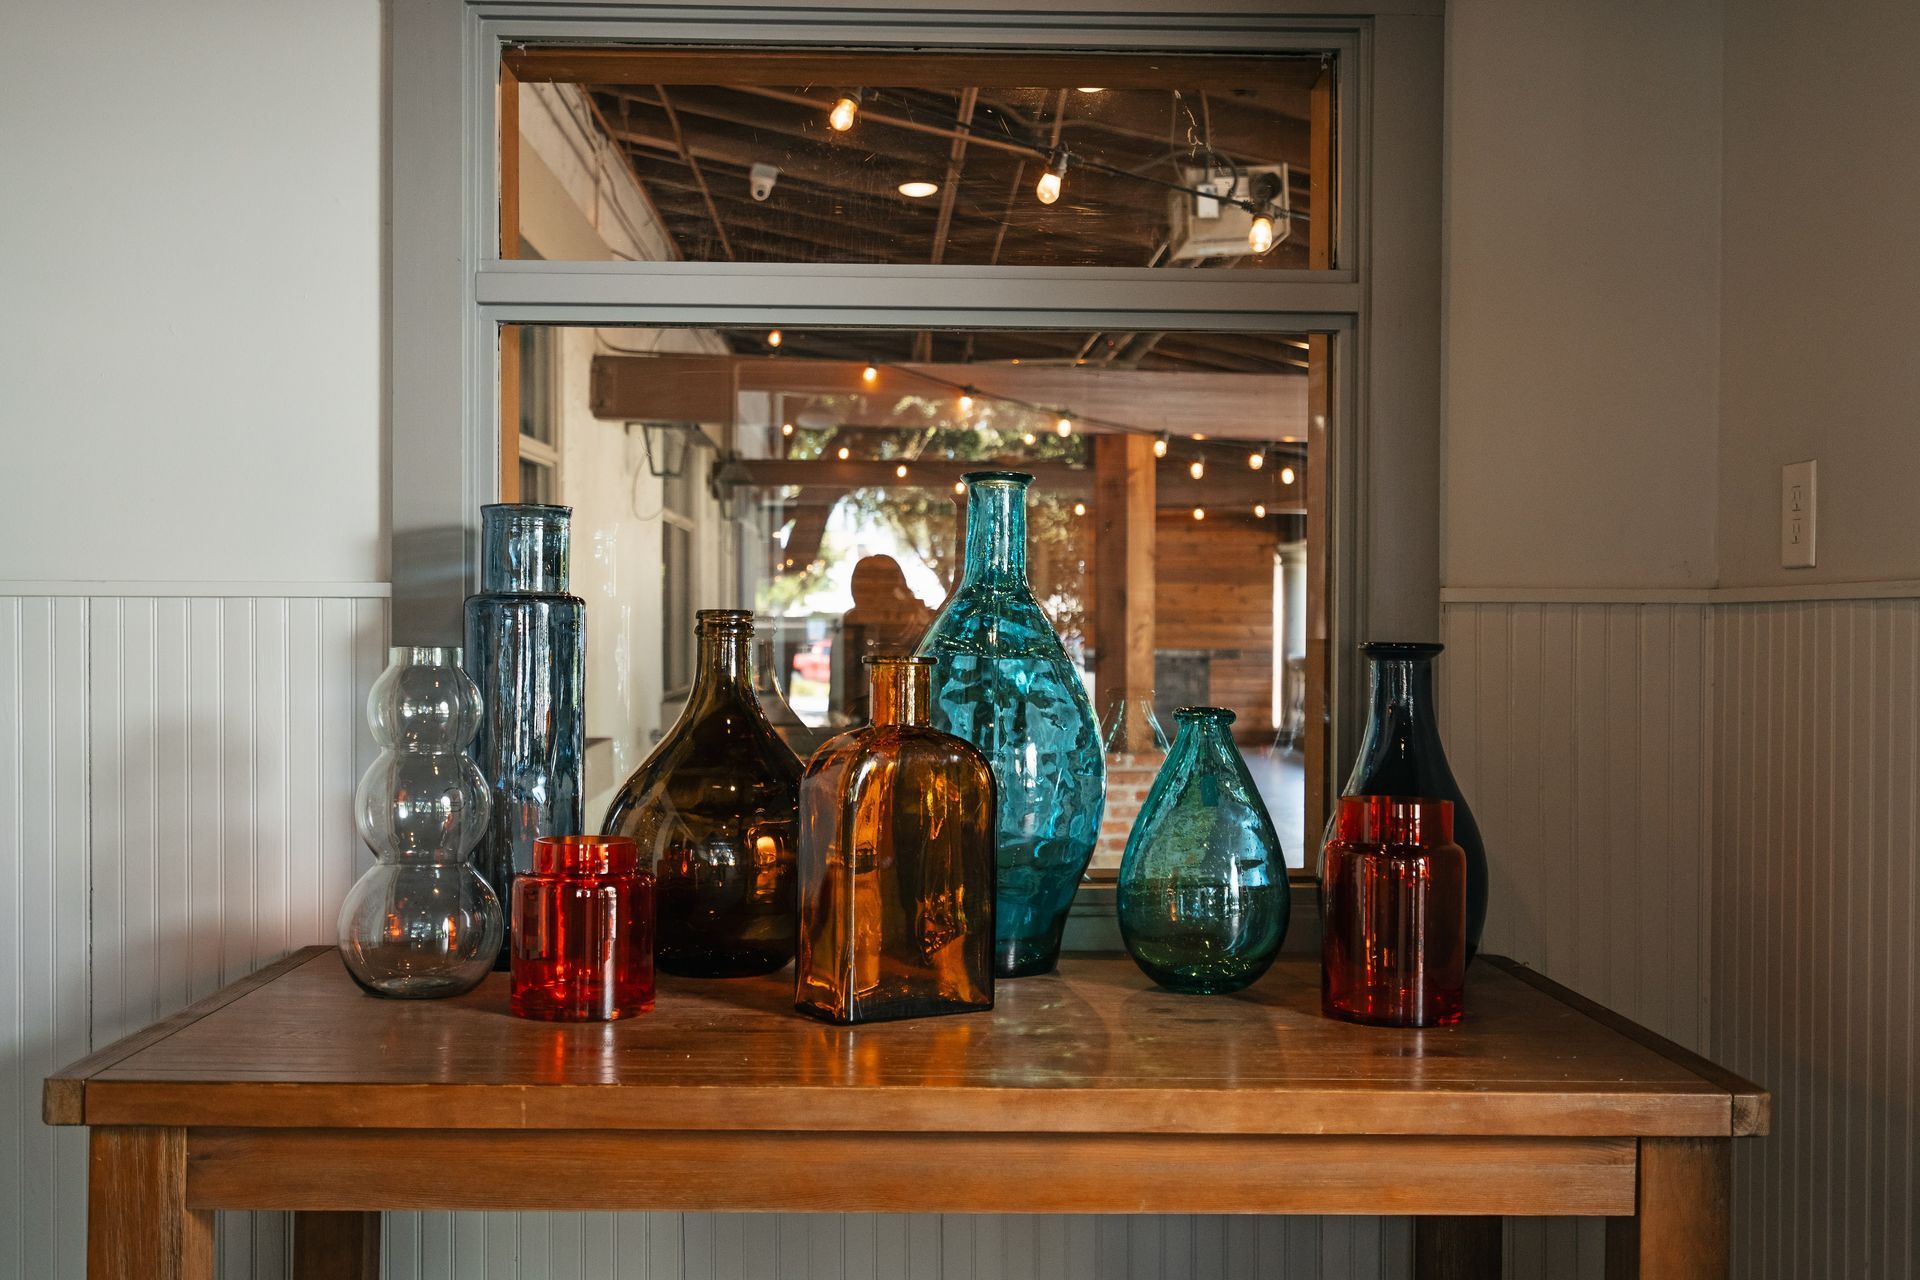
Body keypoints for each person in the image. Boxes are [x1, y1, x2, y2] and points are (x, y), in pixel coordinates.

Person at [832, 555, 936, 722]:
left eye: (880, 585)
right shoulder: (853, 626)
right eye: (864, 588)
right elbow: (843, 698)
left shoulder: (928, 626)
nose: (873, 597)